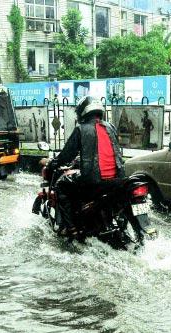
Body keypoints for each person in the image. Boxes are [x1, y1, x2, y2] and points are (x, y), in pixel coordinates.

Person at [51, 96, 125, 235]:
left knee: (61, 184)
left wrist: (52, 164)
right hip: (117, 179)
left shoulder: (81, 129)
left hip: (94, 181)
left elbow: (67, 155)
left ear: (83, 112)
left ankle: (71, 228)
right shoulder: (111, 127)